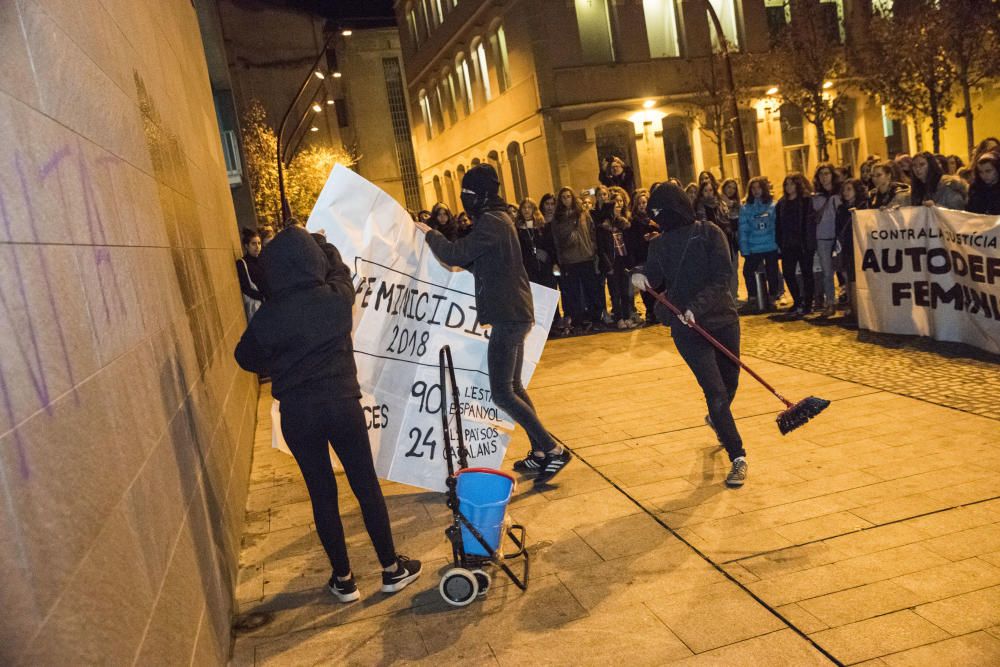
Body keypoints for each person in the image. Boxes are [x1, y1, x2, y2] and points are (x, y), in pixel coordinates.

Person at [234, 227, 421, 603]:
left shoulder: (269, 316)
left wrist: (282, 358)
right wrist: (323, 245)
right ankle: (390, 568)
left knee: (322, 493)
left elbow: (245, 357)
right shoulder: (334, 299)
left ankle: (344, 579)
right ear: (312, 261)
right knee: (365, 485)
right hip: (341, 405)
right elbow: (341, 272)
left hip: (299, 415)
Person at [415, 164, 572, 484]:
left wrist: (428, 233)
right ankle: (541, 452)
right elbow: (482, 263)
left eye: (468, 194)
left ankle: (552, 448)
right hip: (512, 312)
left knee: (502, 392)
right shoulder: (499, 220)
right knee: (513, 387)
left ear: (483, 195)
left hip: (508, 315)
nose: (464, 200)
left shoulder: (491, 222)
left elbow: (457, 253)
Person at [630, 183, 747, 488]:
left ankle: (718, 419)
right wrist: (640, 274)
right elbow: (653, 276)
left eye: (658, 212)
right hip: (687, 330)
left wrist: (697, 307)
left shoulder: (710, 233)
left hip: (722, 320)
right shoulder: (659, 244)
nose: (655, 218)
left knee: (730, 383)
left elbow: (723, 276)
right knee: (716, 393)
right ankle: (738, 456)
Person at [551, 187, 600, 333]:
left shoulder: (583, 214)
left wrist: (592, 248)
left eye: (568, 196)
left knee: (591, 290)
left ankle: (594, 319)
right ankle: (577, 321)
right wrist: (560, 260)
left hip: (586, 256)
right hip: (569, 260)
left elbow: (592, 232)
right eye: (563, 197)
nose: (566, 199)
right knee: (574, 293)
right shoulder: (558, 219)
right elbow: (556, 240)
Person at [775, 173, 816, 316]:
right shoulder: (781, 203)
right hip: (788, 244)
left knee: (807, 274)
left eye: (792, 184)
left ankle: (808, 304)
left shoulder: (805, 201)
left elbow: (809, 223)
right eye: (786, 184)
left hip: (803, 243)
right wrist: (780, 242)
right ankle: (797, 300)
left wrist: (809, 242)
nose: (788, 187)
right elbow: (778, 225)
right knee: (788, 273)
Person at [738, 177, 781, 313]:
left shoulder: (772, 206)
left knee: (772, 273)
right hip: (753, 247)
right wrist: (744, 249)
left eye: (759, 187)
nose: (756, 191)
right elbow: (743, 229)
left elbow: (776, 227)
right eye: (753, 188)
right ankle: (753, 298)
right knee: (748, 272)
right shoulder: (746, 208)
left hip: (770, 245)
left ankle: (772, 298)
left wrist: (778, 245)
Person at [597, 188, 635, 328]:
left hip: (623, 259)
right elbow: (602, 250)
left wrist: (630, 262)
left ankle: (628, 316)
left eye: (619, 205)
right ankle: (618, 317)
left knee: (626, 291)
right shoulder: (603, 228)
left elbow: (629, 244)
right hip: (612, 262)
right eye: (615, 207)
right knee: (615, 293)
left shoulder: (623, 224)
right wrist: (608, 266)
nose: (618, 208)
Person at [812, 163, 842, 317]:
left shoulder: (841, 194)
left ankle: (851, 302)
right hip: (822, 237)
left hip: (839, 237)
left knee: (844, 271)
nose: (824, 177)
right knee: (827, 272)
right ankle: (830, 302)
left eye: (827, 173)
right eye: (821, 174)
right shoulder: (815, 197)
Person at [835, 178, 868, 320]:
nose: (846, 192)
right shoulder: (841, 208)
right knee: (848, 277)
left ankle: (860, 310)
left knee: (859, 277)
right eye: (844, 189)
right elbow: (838, 227)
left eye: (849, 189)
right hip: (846, 246)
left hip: (860, 245)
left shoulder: (864, 206)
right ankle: (852, 307)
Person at [626, 189, 659, 324]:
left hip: (655, 256)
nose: (642, 205)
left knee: (658, 285)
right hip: (642, 256)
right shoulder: (633, 221)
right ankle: (650, 312)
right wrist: (644, 239)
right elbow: (632, 241)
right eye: (639, 203)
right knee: (646, 288)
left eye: (644, 202)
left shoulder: (653, 219)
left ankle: (658, 311)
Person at [237, 228, 267, 321]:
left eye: (259, 243)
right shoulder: (242, 263)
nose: (257, 246)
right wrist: (262, 297)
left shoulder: (263, 261)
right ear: (246, 246)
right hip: (257, 307)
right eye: (253, 244)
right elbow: (245, 288)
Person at [966, 151, 1000, 215]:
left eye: (988, 171)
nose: (984, 175)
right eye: (980, 172)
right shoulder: (975, 188)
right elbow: (970, 211)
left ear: (997, 169)